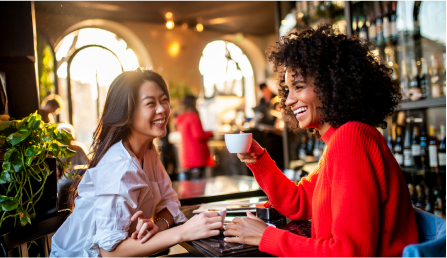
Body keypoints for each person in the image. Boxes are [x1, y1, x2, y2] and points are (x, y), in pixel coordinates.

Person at [223, 25, 418, 257]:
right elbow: (299, 202)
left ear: (331, 84)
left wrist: (266, 236)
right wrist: (258, 160)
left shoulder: (351, 139)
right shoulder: (340, 140)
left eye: (299, 87)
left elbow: (349, 253)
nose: (288, 101)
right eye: (288, 90)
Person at [50, 69, 222, 258]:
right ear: (128, 112)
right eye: (150, 103)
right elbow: (110, 253)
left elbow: (169, 202)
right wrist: (184, 231)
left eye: (164, 100)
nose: (162, 109)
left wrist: (157, 226)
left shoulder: (149, 152)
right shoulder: (120, 166)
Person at [175, 95, 214, 177]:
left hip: (187, 156)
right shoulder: (192, 116)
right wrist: (210, 133)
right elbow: (198, 135)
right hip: (197, 155)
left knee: (191, 186)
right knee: (199, 186)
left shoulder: (181, 117)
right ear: (193, 103)